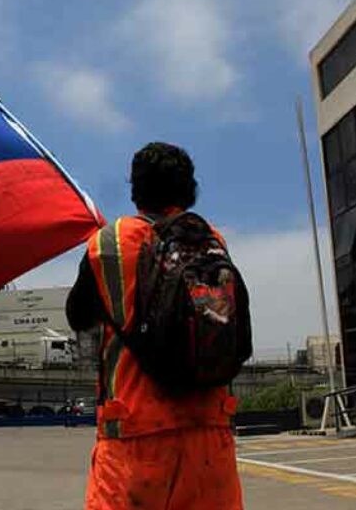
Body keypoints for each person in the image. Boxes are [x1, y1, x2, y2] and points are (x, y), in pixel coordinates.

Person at [66, 142, 243, 510]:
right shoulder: (212, 241)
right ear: (189, 189)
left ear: (136, 191)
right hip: (211, 438)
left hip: (135, 439)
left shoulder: (110, 242)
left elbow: (77, 316)